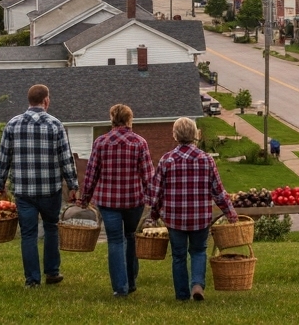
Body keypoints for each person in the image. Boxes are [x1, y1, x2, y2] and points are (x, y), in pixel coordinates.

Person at [0, 84, 79, 289]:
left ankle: (32, 280)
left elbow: (3, 158)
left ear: (29, 100)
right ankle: (52, 272)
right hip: (50, 189)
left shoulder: (12, 124)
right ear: (46, 101)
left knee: (28, 234)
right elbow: (66, 159)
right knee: (51, 228)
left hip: (24, 191)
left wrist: (0, 184)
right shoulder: (55, 125)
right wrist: (73, 184)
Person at [148, 117, 236, 301]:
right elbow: (218, 191)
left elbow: (157, 193)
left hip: (175, 218)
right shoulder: (206, 160)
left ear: (175, 135)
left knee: (178, 255)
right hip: (200, 218)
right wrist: (230, 212)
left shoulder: (166, 160)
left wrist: (154, 214)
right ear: (195, 134)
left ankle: (181, 295)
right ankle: (197, 285)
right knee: (198, 251)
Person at [80, 104, 153, 298]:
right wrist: (154, 201)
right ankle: (131, 281)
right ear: (129, 120)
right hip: (133, 200)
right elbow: (148, 176)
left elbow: (91, 174)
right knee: (130, 236)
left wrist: (85, 198)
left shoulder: (101, 142)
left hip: (107, 201)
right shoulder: (139, 143)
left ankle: (120, 288)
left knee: (114, 241)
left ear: (112, 119)